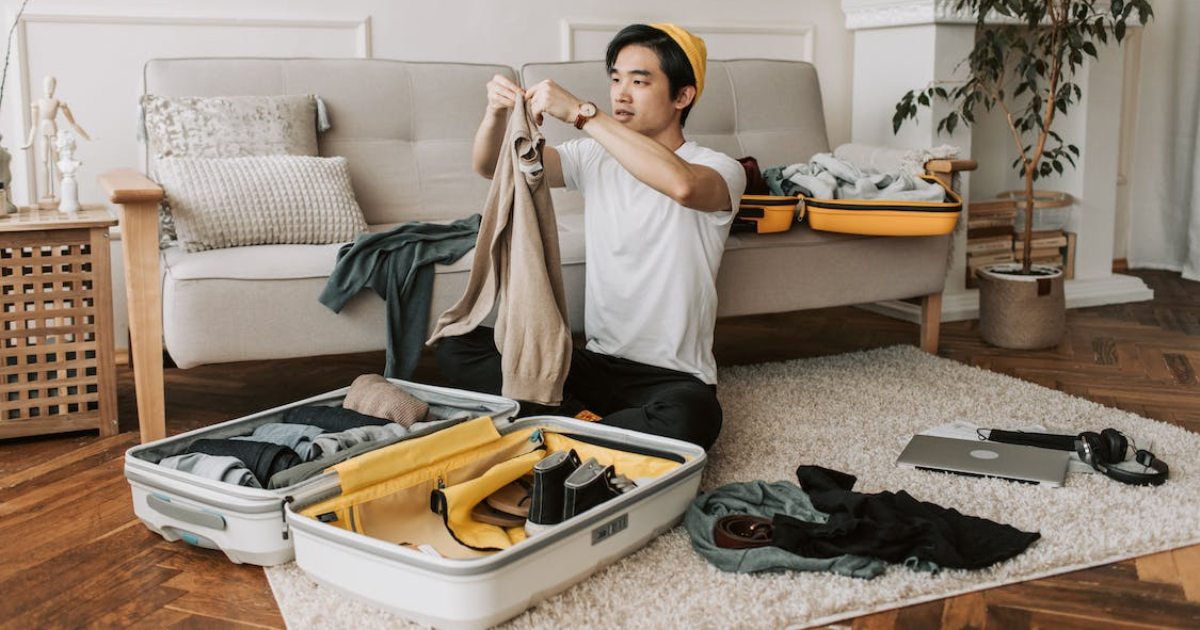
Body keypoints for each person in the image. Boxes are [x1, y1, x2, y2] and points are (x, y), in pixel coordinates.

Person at [436, 24, 746, 450]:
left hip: (672, 378)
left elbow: (683, 186)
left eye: (639, 82)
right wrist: (495, 114)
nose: (621, 94)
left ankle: (558, 424)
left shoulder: (719, 168)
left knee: (694, 416)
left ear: (683, 96)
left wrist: (583, 114)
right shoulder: (593, 157)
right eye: (616, 79)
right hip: (593, 364)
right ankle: (589, 428)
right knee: (457, 343)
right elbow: (492, 166)